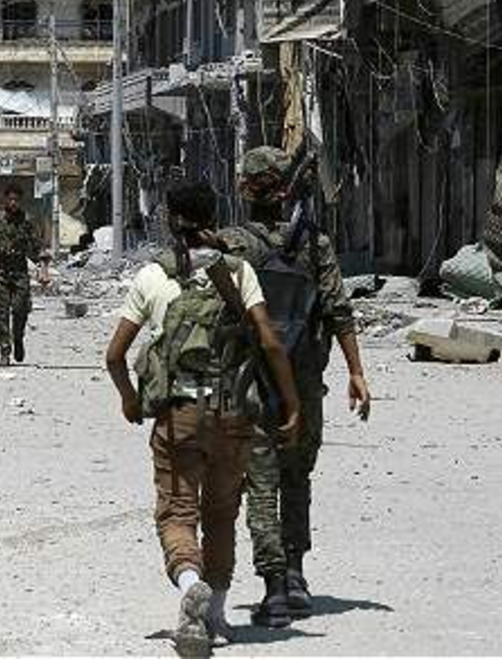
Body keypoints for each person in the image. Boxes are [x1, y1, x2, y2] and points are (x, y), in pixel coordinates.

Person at [105, 181, 302, 654]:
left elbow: (114, 355)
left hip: (180, 415)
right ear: (214, 216)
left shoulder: (154, 275)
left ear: (169, 218)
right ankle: (216, 617)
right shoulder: (237, 271)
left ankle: (190, 583)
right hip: (233, 414)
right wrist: (292, 404)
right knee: (222, 513)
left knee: (177, 512)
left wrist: (129, 399)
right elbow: (269, 341)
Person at [219, 146, 372, 625]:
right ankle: (296, 574)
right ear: (285, 193)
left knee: (260, 483)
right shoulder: (315, 243)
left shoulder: (230, 245)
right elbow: (338, 310)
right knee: (297, 477)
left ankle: (274, 589)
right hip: (303, 380)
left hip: (249, 380)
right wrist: (356, 372)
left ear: (245, 188)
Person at [0, 186, 50, 366]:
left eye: (16, 200)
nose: (13, 203)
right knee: (2, 313)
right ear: (5, 200)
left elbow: (37, 247)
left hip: (19, 271)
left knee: (20, 309)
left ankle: (18, 337)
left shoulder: (26, 222)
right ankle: (4, 351)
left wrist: (43, 269)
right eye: (10, 199)